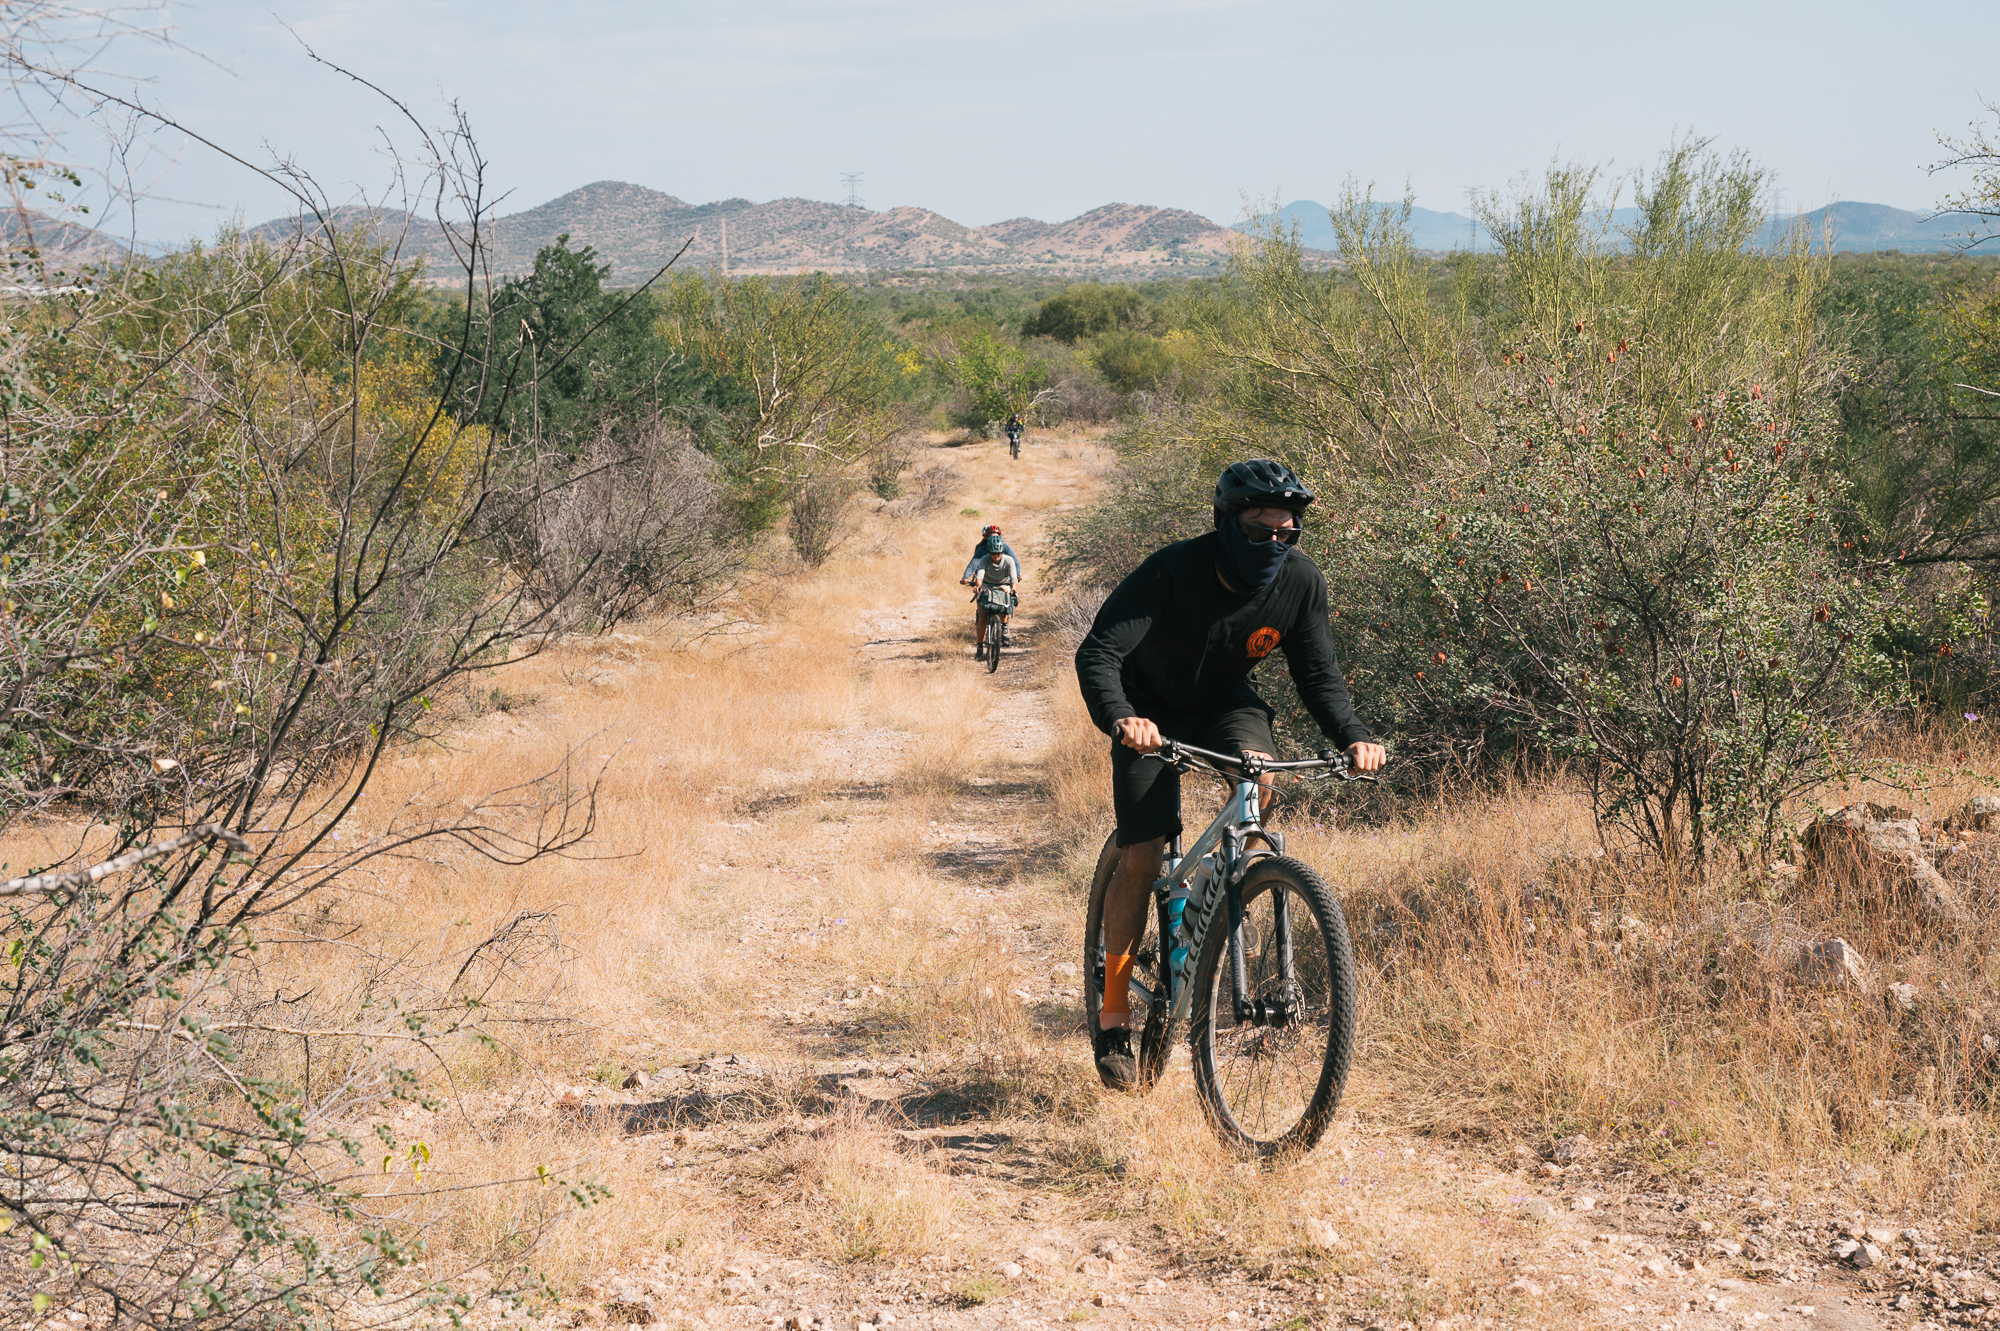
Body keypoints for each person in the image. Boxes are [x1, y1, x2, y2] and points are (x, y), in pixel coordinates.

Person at [1072, 458, 1386, 1091]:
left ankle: (1225, 880)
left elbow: (1318, 675)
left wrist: (1353, 736)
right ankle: (1112, 1012)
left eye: (1285, 533)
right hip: (1148, 709)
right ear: (1226, 523)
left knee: (1261, 777)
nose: (1273, 542)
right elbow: (1099, 650)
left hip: (1224, 703)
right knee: (1142, 852)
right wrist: (1122, 719)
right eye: (1258, 530)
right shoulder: (1173, 570)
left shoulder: (1300, 582)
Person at [960, 538, 1021, 660]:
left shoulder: (1009, 560)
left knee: (1005, 601)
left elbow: (1014, 578)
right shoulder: (984, 560)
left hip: (1003, 585)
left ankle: (1004, 625)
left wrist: (1013, 588)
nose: (996, 556)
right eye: (993, 553)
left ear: (1002, 551)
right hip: (986, 585)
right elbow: (980, 576)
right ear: (990, 552)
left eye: (998, 553)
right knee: (982, 616)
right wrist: (978, 586)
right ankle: (979, 647)